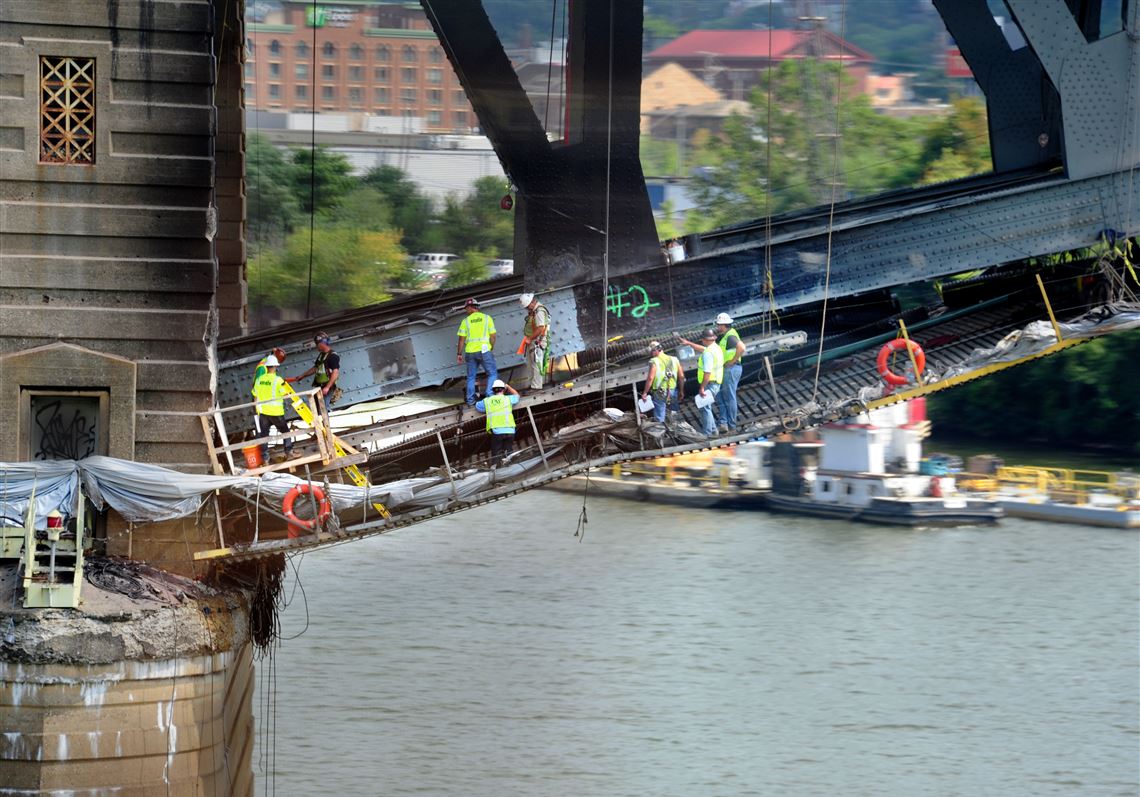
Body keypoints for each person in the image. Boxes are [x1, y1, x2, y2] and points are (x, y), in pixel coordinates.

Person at [251, 355, 295, 461]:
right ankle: (288, 452)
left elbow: (255, 396)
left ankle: (265, 458)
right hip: (276, 412)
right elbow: (285, 394)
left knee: (264, 435)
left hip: (263, 412)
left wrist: (257, 411)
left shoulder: (259, 380)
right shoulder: (278, 380)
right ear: (275, 366)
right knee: (285, 432)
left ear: (266, 367)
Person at [456, 298, 497, 405]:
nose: (466, 310)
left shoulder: (465, 321)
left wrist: (459, 353)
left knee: (471, 377)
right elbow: (493, 336)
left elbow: (461, 339)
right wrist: (491, 347)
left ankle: (470, 400)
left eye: (466, 308)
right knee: (492, 373)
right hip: (484, 351)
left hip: (470, 352)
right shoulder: (487, 318)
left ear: (470, 307)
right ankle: (489, 394)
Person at [713, 312, 745, 432]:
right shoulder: (727, 336)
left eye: (718, 325)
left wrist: (732, 361)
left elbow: (742, 348)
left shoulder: (730, 336)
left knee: (730, 397)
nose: (717, 327)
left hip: (731, 369)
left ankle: (732, 426)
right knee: (721, 396)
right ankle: (724, 423)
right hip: (727, 369)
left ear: (722, 325)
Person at [287, 332, 341, 404]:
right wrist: (302, 375)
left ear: (321, 343)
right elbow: (316, 368)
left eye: (317, 344)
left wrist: (327, 387)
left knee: (324, 407)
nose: (316, 346)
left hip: (326, 387)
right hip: (321, 386)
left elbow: (335, 372)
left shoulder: (332, 356)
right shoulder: (322, 355)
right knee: (320, 407)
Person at [475, 378, 519, 466]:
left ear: (493, 390)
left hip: (497, 432)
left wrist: (489, 395)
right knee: (508, 454)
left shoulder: (487, 401)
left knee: (496, 455)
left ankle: (497, 471)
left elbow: (477, 406)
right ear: (503, 389)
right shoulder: (508, 399)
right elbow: (517, 395)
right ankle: (509, 469)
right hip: (510, 431)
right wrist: (508, 386)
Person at [639, 341, 683, 423]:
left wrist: (645, 392)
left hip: (660, 392)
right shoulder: (674, 359)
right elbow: (681, 376)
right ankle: (676, 430)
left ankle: (661, 433)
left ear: (656, 350)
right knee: (674, 413)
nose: (651, 353)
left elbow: (650, 378)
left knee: (659, 416)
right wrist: (681, 391)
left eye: (652, 351)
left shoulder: (654, 361)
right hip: (673, 391)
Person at [694, 328, 724, 436]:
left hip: (710, 383)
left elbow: (707, 372)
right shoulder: (717, 348)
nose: (701, 341)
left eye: (702, 339)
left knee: (705, 407)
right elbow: (702, 349)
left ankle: (707, 433)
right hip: (717, 382)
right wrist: (689, 343)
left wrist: (702, 387)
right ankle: (713, 430)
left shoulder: (708, 353)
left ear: (705, 340)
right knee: (707, 406)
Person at [519, 292, 551, 392]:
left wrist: (530, 338)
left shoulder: (539, 312)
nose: (527, 309)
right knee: (532, 363)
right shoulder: (535, 311)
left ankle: (536, 386)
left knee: (536, 364)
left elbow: (540, 328)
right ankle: (533, 384)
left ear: (531, 303)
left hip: (538, 341)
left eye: (528, 307)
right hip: (534, 341)